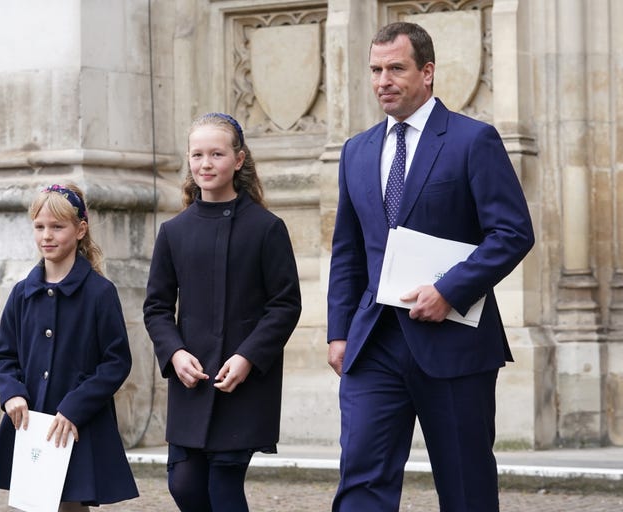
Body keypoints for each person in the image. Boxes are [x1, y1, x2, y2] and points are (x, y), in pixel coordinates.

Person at [327, 22, 534, 512]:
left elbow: (512, 233)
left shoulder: (473, 140)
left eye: (396, 68)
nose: (383, 81)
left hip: (454, 343)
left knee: (466, 491)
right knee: (360, 482)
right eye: (375, 70)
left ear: (427, 72)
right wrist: (338, 332)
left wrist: (450, 291)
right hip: (373, 342)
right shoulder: (356, 151)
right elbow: (348, 250)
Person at [143, 112, 302, 511]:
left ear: (239, 159)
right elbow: (157, 307)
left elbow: (285, 304)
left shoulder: (267, 228)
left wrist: (248, 357)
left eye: (217, 154)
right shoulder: (174, 231)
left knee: (224, 486)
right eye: (197, 155)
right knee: (184, 484)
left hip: (243, 382)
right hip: (192, 379)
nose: (206, 163)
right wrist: (174, 353)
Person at [0, 183, 139, 511]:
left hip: (78, 421)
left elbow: (116, 361)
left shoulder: (100, 293)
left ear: (80, 230)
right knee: (34, 504)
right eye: (39, 227)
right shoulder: (21, 294)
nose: (47, 236)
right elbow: (5, 356)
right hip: (31, 418)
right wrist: (11, 393)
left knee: (71, 505)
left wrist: (76, 406)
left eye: (57, 227)